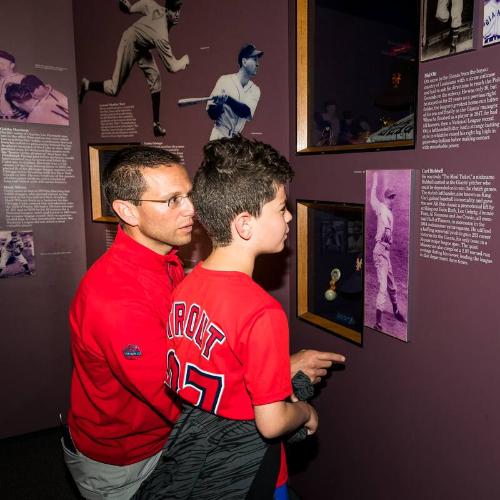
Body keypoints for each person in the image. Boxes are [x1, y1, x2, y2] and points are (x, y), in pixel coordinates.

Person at [64, 144, 345, 499]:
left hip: (171, 441)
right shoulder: (115, 298)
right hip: (129, 460)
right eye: (172, 201)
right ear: (126, 211)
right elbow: (183, 393)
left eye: (189, 195)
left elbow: (199, 363)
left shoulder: (171, 264)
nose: (191, 210)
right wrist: (281, 385)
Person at [134, 137, 326, 499]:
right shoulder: (262, 311)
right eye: (281, 207)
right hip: (250, 472)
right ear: (245, 224)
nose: (288, 217)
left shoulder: (185, 286)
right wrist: (304, 412)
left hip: (200, 456)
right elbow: (271, 424)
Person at [79, 0, 189, 137]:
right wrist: (184, 60)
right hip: (130, 42)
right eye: (174, 11)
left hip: (142, 46)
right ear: (167, 11)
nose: (177, 14)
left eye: (179, 10)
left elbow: (146, 4)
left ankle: (156, 125)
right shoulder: (161, 35)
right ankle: (87, 84)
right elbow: (172, 67)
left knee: (156, 78)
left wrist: (131, 8)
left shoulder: (157, 9)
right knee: (114, 89)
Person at [370, 171, 406, 331]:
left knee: (392, 287)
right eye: (390, 197)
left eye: (393, 197)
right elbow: (372, 197)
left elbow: (388, 234)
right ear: (385, 198)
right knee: (383, 287)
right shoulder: (380, 207)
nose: (392, 199)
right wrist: (375, 181)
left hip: (386, 253)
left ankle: (396, 310)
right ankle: (377, 323)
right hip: (379, 251)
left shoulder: (390, 213)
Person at [207, 43, 263, 140]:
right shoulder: (224, 80)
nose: (258, 64)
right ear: (244, 62)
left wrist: (227, 99)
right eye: (254, 59)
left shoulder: (255, 90)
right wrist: (219, 104)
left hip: (236, 141)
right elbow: (212, 114)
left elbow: (245, 112)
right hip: (219, 135)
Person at [4, 83, 69, 126]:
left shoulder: (33, 117)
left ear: (15, 103)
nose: (33, 99)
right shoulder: (52, 99)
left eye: (28, 96)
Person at [0, 50, 25, 120]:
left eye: (2, 63)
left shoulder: (22, 79)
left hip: (19, 120)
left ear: (12, 65)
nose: (0, 66)